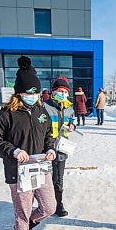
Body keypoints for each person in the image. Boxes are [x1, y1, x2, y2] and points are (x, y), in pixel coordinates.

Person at [0, 56, 57, 230]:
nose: (33, 97)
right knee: (22, 212)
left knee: (49, 207)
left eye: (35, 93)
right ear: (19, 93)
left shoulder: (41, 111)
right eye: (28, 93)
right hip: (19, 172)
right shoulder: (6, 115)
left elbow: (48, 136)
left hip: (41, 168)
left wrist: (51, 148)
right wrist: (14, 151)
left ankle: (29, 228)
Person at [43, 77, 76, 217]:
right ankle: (47, 204)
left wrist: (72, 125)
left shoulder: (69, 107)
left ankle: (58, 204)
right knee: (46, 179)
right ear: (53, 92)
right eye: (59, 91)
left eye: (65, 91)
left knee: (59, 179)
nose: (62, 93)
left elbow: (71, 120)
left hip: (62, 148)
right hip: (46, 148)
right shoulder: (45, 106)